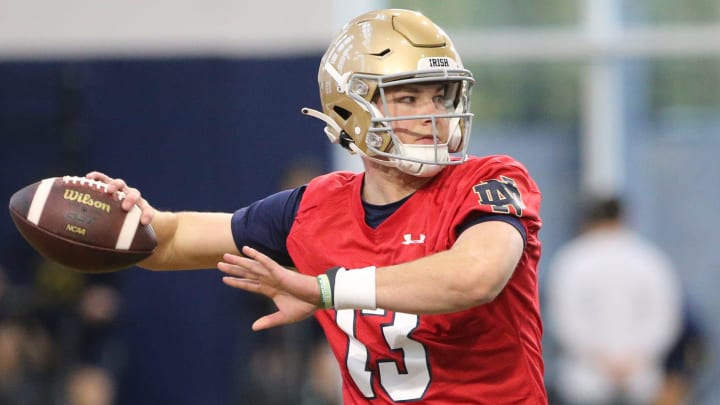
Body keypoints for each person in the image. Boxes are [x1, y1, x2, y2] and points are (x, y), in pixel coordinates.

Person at [87, 9, 546, 404]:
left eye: (441, 96)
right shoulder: (315, 209)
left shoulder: (489, 178)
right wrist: (135, 219)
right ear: (351, 112)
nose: (434, 116)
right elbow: (173, 241)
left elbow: (475, 276)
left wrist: (324, 289)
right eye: (408, 97)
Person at [544, 196, 684, 405]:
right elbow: (665, 318)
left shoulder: (571, 259)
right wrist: (634, 359)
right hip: (639, 377)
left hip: (585, 379)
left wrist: (602, 360)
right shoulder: (651, 260)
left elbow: (564, 319)